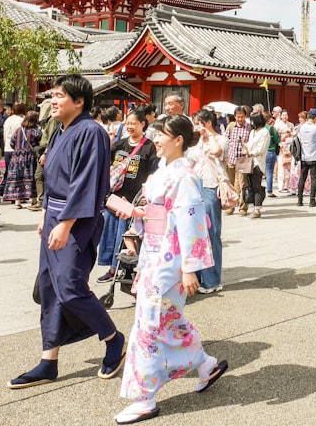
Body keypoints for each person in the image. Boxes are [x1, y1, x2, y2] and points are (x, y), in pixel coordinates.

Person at [8, 75, 122, 390]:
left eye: (59, 95)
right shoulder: (58, 130)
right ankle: (48, 360)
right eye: (52, 95)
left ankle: (113, 338)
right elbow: (50, 175)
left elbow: (86, 181)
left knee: (70, 286)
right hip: (56, 214)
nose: (53, 101)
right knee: (49, 287)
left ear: (79, 101)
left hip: (77, 218)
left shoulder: (92, 131)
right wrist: (46, 213)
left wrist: (66, 222)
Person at [116, 115, 227, 424]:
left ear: (178, 140)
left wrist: (190, 268)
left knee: (148, 324)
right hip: (154, 251)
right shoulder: (164, 170)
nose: (156, 139)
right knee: (167, 319)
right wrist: (137, 216)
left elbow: (190, 221)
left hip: (170, 257)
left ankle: (145, 396)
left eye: (161, 134)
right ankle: (205, 364)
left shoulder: (185, 175)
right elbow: (157, 211)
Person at [95, 110, 156, 284]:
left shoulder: (149, 147)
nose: (130, 126)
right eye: (127, 123)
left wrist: (144, 198)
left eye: (133, 123)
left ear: (142, 124)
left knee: (126, 234)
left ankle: (122, 269)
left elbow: (152, 173)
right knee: (111, 233)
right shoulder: (119, 144)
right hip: (115, 196)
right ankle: (111, 267)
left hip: (133, 198)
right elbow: (107, 164)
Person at [190, 108, 226, 294]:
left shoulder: (219, 139)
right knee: (196, 234)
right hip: (194, 187)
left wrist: (208, 136)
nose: (196, 126)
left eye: (198, 122)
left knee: (211, 234)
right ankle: (196, 276)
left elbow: (217, 151)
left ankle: (213, 280)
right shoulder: (196, 143)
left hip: (211, 187)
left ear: (208, 122)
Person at [3, 111, 41, 209]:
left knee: (17, 178)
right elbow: (39, 144)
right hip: (29, 156)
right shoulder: (36, 131)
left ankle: (17, 202)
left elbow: (12, 143)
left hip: (17, 156)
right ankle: (33, 200)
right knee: (31, 177)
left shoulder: (18, 130)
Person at [296, 108, 316, 207]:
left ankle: (300, 200)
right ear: (315, 118)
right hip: (314, 155)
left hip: (304, 155)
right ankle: (312, 200)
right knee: (314, 178)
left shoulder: (301, 127)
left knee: (302, 177)